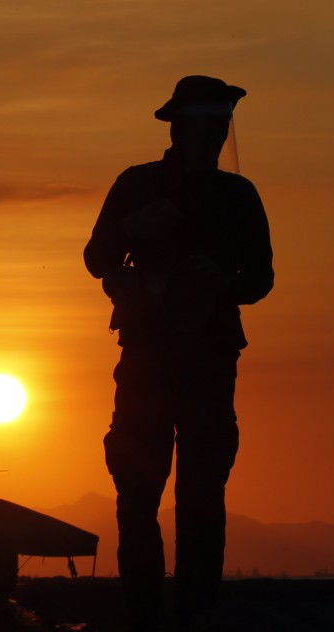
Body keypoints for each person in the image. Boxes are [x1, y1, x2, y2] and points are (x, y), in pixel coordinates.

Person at [84, 76, 274, 630]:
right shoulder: (136, 186)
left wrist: (224, 281)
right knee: (138, 491)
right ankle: (143, 614)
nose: (216, 135)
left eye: (223, 125)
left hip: (210, 360)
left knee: (202, 495)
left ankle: (195, 616)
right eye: (209, 124)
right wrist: (131, 227)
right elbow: (97, 259)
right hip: (146, 359)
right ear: (184, 127)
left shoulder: (239, 196)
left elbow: (260, 278)